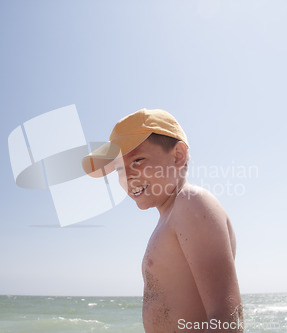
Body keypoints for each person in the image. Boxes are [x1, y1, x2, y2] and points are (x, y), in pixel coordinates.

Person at [82, 109, 243, 332]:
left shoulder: (191, 203)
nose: (127, 176)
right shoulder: (170, 217)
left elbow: (228, 321)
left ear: (178, 156)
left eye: (137, 160)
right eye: (119, 168)